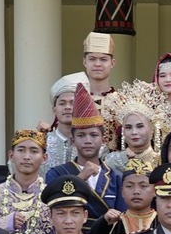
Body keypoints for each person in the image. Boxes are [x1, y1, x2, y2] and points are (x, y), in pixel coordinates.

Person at [44, 82, 120, 214]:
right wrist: (81, 177)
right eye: (81, 135)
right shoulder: (56, 173)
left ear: (103, 139)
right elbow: (54, 209)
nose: (88, 140)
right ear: (73, 140)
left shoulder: (116, 177)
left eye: (94, 135)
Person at [81, 29, 116, 99]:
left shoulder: (122, 101)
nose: (97, 64)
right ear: (85, 62)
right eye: (92, 59)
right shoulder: (75, 100)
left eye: (103, 59)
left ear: (112, 63)